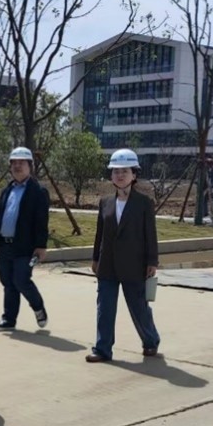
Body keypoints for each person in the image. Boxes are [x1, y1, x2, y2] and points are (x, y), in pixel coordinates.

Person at [86, 148, 161, 363]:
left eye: (125, 171)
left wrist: (152, 261)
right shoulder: (106, 202)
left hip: (134, 264)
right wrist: (96, 258)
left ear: (134, 174)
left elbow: (150, 234)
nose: (120, 175)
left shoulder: (144, 203)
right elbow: (100, 234)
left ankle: (150, 340)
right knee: (105, 308)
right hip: (107, 264)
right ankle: (102, 349)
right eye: (116, 171)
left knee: (139, 307)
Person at [0, 146, 50, 331]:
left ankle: (38, 307)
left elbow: (42, 221)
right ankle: (9, 319)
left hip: (25, 247)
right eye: (14, 163)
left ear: (30, 166)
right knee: (8, 282)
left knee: (21, 280)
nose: (17, 166)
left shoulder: (38, 191)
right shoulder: (7, 190)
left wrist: (41, 246)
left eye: (21, 163)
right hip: (5, 245)